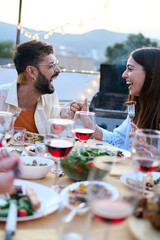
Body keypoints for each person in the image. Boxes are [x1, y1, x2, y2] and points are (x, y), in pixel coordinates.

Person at [0, 40, 83, 134]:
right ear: (31, 71)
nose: (58, 70)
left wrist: (63, 116)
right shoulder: (1, 97)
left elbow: (54, 138)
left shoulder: (50, 97)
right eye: (51, 66)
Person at [92, 47, 160, 151]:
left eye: (130, 69)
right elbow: (115, 140)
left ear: (152, 73)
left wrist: (151, 153)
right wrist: (89, 123)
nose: (123, 75)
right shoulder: (137, 110)